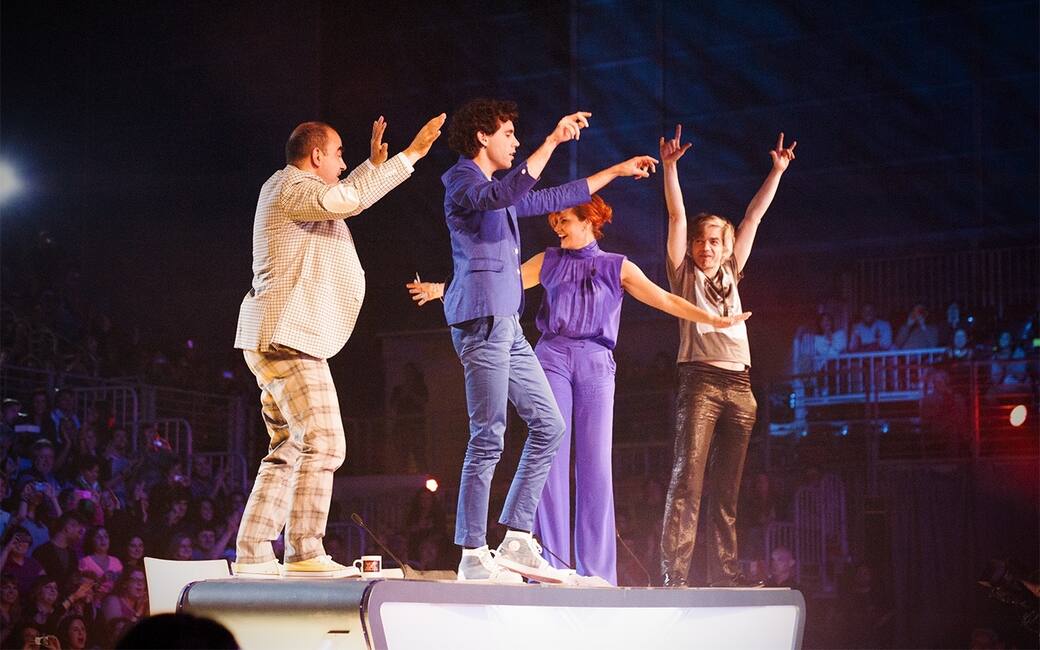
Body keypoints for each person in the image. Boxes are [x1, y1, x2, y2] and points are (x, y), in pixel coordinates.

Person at [411, 196, 750, 585]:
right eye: (555, 220)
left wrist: (711, 318)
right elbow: (494, 283)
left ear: (589, 221)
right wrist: (441, 289)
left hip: (596, 361)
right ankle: (550, 564)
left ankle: (597, 571)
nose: (557, 226)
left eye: (565, 220)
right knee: (550, 457)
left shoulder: (617, 266)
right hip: (552, 354)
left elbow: (665, 299)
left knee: (596, 466)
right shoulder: (549, 260)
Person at [436, 98, 657, 582]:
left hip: (509, 325)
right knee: (488, 436)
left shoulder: (500, 191)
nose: (516, 142)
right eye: (509, 134)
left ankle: (517, 537)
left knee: (550, 426)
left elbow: (549, 197)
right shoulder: (462, 181)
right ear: (483, 137)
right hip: (481, 321)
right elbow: (503, 195)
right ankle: (472, 552)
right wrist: (553, 139)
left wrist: (615, 171)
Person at [231, 113, 445, 578]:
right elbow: (345, 199)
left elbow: (343, 197)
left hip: (280, 336)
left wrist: (372, 167)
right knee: (325, 443)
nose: (344, 164)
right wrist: (410, 156)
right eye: (340, 155)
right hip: (287, 337)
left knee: (288, 447)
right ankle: (305, 550)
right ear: (316, 156)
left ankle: (253, 551)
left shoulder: (295, 191)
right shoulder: (290, 186)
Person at [658, 125, 796, 587]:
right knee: (688, 480)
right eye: (701, 241)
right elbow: (676, 216)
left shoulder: (733, 271)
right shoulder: (683, 275)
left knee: (727, 491)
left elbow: (753, 217)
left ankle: (726, 572)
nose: (707, 248)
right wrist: (671, 169)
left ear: (726, 246)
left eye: (715, 241)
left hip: (741, 387)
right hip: (700, 381)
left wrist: (776, 171)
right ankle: (675, 574)